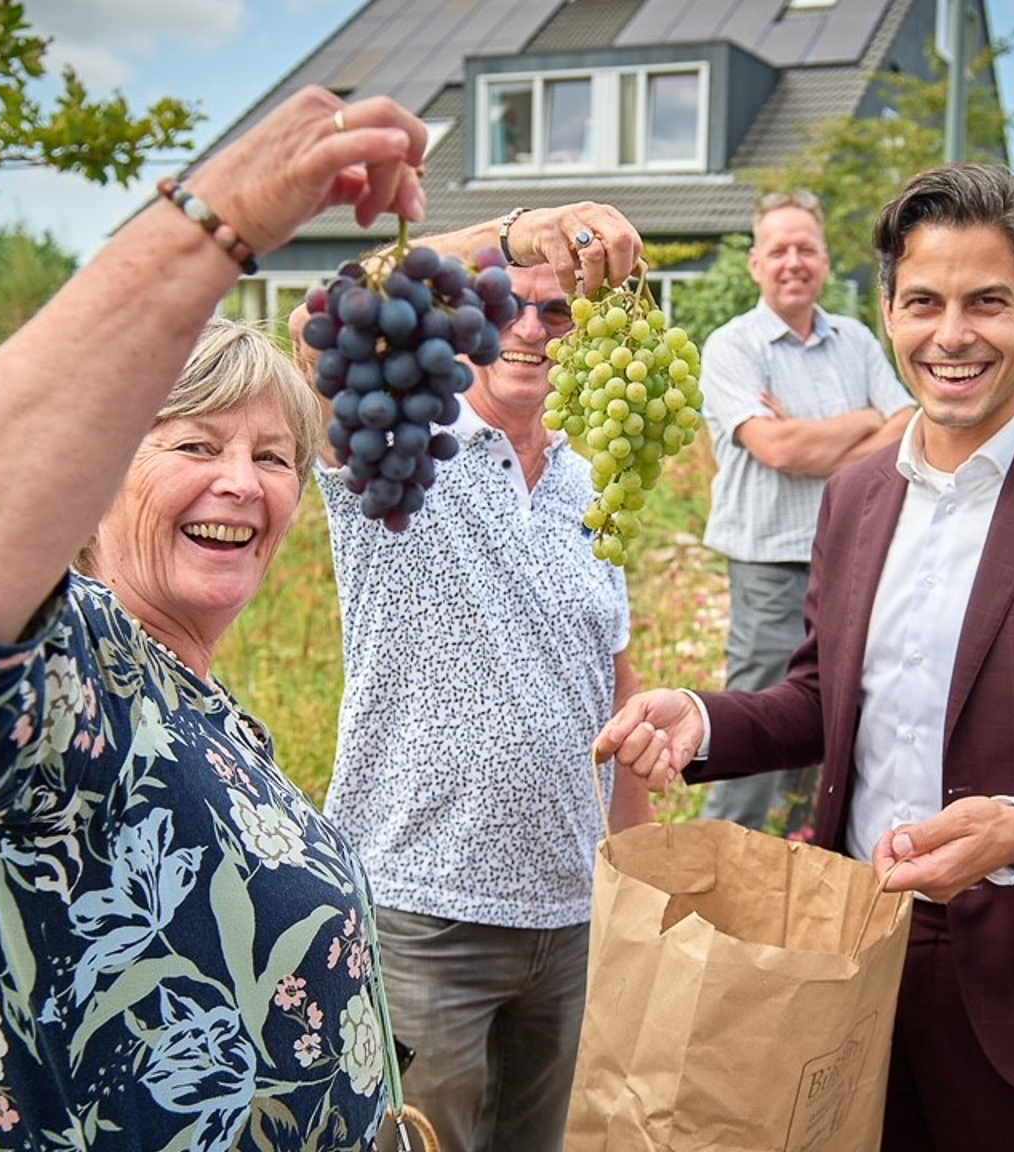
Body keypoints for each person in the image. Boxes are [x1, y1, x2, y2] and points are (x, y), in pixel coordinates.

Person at [0, 90, 489, 1152]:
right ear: (88, 477)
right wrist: (208, 224)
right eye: (192, 445)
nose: (243, 484)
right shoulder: (70, 672)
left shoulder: (182, 690)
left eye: (271, 458)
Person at [592, 164, 1014, 1151]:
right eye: (923, 301)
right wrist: (704, 718)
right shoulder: (855, 499)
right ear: (887, 310)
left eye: (987, 302)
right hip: (851, 956)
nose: (952, 333)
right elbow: (819, 701)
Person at [291, 204, 653, 1152]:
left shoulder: (595, 476)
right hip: (422, 910)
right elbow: (320, 319)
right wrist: (518, 230)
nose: (530, 330)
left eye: (558, 314)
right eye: (506, 309)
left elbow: (612, 685)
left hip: (570, 913)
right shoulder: (402, 443)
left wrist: (636, 885)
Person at [696, 189, 913, 835]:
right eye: (780, 249)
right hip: (770, 563)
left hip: (856, 562)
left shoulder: (858, 340)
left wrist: (831, 435)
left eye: (806, 249)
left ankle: (801, 863)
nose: (794, 261)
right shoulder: (732, 347)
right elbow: (778, 448)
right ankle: (721, 864)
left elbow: (911, 430)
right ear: (756, 263)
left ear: (825, 259)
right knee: (756, 722)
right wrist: (865, 420)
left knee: (841, 720)